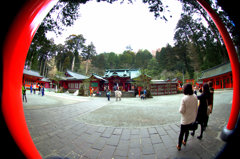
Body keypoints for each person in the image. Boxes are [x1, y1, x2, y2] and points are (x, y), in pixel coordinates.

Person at [177, 84, 198, 151]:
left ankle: (179, 146)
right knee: (187, 132)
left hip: (185, 120)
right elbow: (196, 107)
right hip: (192, 119)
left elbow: (181, 111)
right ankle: (185, 141)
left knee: (182, 133)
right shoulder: (195, 96)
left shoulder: (184, 98)